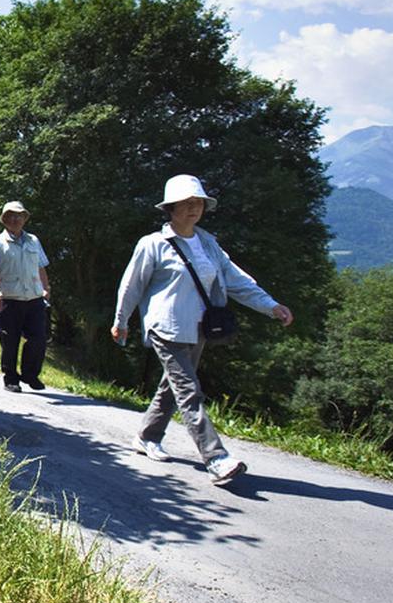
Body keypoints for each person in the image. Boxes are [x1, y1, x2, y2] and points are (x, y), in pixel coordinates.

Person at [111, 174, 294, 484]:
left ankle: (146, 436)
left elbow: (235, 279)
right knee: (189, 390)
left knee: (174, 387)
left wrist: (270, 305)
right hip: (165, 327)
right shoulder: (153, 245)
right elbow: (131, 286)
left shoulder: (208, 243)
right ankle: (216, 458)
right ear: (170, 208)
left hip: (199, 328)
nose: (194, 208)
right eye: (187, 203)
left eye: (198, 202)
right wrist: (121, 321)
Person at [0, 201, 51, 393]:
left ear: (24, 219)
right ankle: (11, 379)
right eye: (11, 216)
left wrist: (46, 288)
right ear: (4, 220)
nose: (15, 219)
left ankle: (30, 374)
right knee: (9, 340)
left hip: (34, 298)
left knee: (38, 338)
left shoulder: (34, 241)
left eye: (19, 215)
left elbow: (41, 266)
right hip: (9, 299)